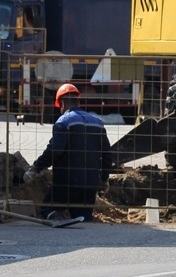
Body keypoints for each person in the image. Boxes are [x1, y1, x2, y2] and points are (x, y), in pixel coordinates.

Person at [24, 83, 113, 221]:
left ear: (62, 103)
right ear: (78, 101)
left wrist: (36, 168)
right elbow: (107, 154)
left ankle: (56, 219)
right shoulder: (97, 122)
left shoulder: (64, 122)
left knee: (48, 208)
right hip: (90, 183)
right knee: (82, 217)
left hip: (67, 182)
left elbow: (54, 150)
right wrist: (104, 178)